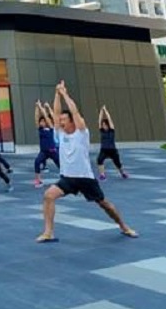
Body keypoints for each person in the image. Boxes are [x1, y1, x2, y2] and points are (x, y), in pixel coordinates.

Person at [37, 81, 137, 242]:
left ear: (72, 121)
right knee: (48, 195)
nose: (60, 122)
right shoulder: (60, 134)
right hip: (68, 178)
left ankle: (124, 226)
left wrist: (65, 94)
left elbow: (75, 112)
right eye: (60, 120)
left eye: (64, 120)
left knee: (105, 205)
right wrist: (56, 94)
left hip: (85, 178)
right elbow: (55, 114)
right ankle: (48, 232)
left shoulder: (82, 133)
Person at [32, 101, 61, 189]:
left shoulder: (51, 128)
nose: (42, 123)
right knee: (37, 162)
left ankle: (66, 179)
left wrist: (42, 108)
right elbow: (36, 118)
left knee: (61, 165)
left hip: (53, 151)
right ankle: (38, 180)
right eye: (41, 122)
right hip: (44, 152)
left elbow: (47, 117)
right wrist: (37, 107)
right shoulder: (40, 129)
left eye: (43, 121)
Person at [96, 106, 129, 180]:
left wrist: (105, 111)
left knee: (118, 163)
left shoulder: (112, 130)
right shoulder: (102, 131)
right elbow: (99, 120)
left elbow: (110, 119)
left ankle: (123, 173)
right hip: (104, 150)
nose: (103, 126)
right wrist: (101, 112)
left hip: (112, 150)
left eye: (105, 125)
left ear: (108, 125)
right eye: (103, 125)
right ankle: (102, 174)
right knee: (99, 160)